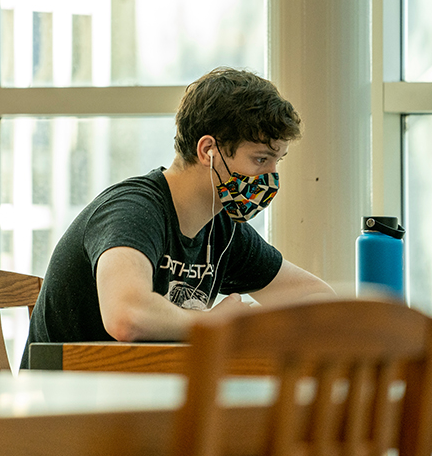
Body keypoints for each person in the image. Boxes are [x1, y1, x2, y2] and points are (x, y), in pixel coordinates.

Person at [19, 67, 335, 368]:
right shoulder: (133, 211)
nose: (271, 176)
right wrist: (215, 324)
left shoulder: (221, 229)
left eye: (277, 161)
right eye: (261, 159)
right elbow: (126, 315)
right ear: (208, 150)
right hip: (64, 409)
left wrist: (253, 328)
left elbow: (318, 299)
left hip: (140, 404)